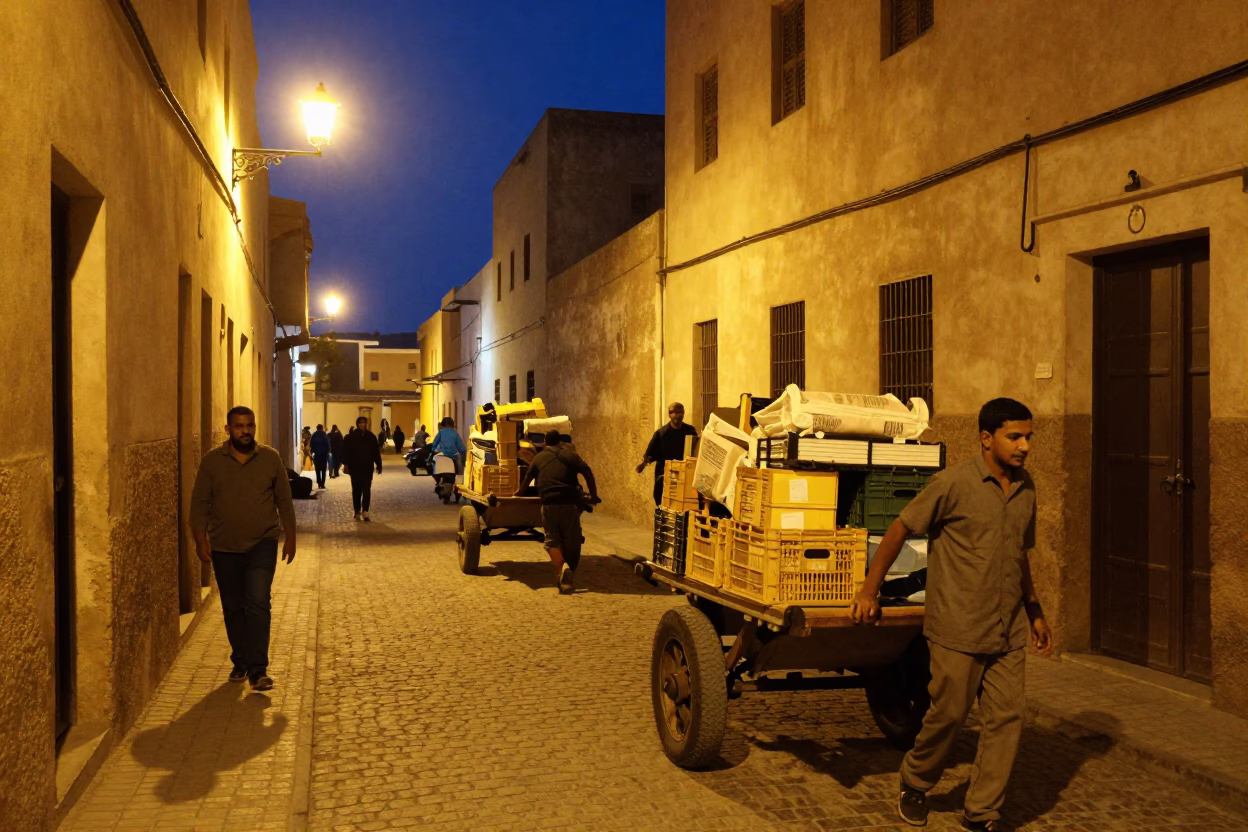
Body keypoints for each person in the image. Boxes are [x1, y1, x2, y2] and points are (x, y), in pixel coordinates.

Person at [850, 397, 1053, 832]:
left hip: (1008, 627)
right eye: (1014, 436)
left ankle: (982, 811)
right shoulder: (952, 485)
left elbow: (1019, 554)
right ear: (986, 438)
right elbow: (900, 528)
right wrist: (870, 589)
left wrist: (1033, 608)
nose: (1024, 447)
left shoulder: (1026, 488)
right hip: (957, 626)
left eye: (1028, 438)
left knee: (1006, 718)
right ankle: (916, 782)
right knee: (948, 716)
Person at [190, 406, 296, 692]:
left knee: (259, 602)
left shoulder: (270, 458)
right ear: (228, 429)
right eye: (239, 426)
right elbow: (200, 502)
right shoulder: (213, 461)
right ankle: (241, 659)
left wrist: (291, 536)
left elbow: (283, 499)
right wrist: (200, 539)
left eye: (249, 425)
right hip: (224, 546)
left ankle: (258, 670)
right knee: (233, 607)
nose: (245, 431)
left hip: (262, 542)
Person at [519, 430, 599, 593]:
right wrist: (594, 495)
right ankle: (565, 579)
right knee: (571, 537)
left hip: (549, 504)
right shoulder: (570, 455)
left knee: (551, 540)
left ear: (545, 443)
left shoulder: (538, 458)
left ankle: (562, 568)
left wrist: (519, 492)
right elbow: (588, 472)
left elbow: (527, 478)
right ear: (559, 442)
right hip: (570, 504)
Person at [636, 402, 699, 505]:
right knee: (663, 504)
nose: (678, 415)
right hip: (665, 477)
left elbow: (697, 449)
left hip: (685, 477)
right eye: (674, 412)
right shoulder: (661, 434)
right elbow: (650, 454)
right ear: (669, 414)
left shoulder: (690, 431)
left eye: (680, 412)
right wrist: (643, 464)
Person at [341, 415, 383, 522]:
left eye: (364, 423)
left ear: (366, 424)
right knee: (356, 490)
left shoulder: (371, 437)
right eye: (360, 423)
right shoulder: (352, 437)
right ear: (357, 424)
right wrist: (345, 464)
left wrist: (379, 465)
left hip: (367, 468)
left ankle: (365, 511)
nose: (362, 425)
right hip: (354, 468)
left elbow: (375, 452)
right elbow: (346, 451)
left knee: (366, 489)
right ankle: (357, 510)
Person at [310, 424, 330, 489]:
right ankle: (322, 483)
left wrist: (312, 452)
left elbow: (311, 444)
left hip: (317, 455)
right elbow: (328, 444)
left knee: (317, 469)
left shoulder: (314, 435)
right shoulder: (324, 435)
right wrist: (328, 452)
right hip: (324, 455)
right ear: (322, 428)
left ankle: (319, 482)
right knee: (323, 469)